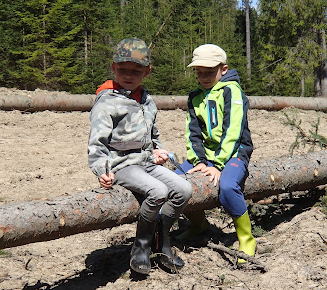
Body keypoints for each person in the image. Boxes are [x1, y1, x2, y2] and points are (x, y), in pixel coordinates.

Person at [88, 38, 192, 275]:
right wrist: (103, 171)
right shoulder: (107, 102)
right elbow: (97, 143)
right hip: (122, 164)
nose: (128, 75)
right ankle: (141, 247)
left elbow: (153, 134)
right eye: (122, 69)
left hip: (146, 162)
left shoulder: (146, 99)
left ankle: (162, 240)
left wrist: (157, 150)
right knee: (158, 192)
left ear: (147, 71)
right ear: (113, 68)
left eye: (136, 71)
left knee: (184, 190)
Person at [175, 43, 256, 265]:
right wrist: (200, 161)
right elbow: (192, 133)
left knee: (228, 187)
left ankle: (246, 238)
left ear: (223, 68)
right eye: (199, 73)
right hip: (207, 156)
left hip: (234, 152)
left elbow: (233, 130)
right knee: (175, 181)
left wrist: (218, 164)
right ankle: (198, 224)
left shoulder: (232, 91)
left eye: (209, 72)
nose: (203, 77)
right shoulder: (194, 97)